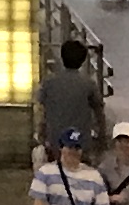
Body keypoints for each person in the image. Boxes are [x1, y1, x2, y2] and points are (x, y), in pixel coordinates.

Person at [42, 36, 108, 165]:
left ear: (62, 57)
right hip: (81, 143)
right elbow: (99, 112)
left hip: (55, 142)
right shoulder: (88, 84)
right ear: (83, 60)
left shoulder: (49, 82)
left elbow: (42, 109)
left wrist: (42, 134)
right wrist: (102, 138)